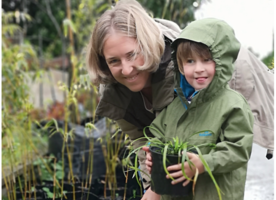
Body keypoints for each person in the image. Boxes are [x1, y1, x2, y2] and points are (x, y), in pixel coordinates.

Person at [85, 0, 273, 199]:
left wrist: (164, 185)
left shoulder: (184, 70)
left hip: (239, 76)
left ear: (147, 46)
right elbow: (144, 138)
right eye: (114, 61)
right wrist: (153, 180)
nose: (126, 69)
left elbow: (230, 147)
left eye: (132, 55)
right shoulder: (113, 90)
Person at [145, 18, 254, 200]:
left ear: (222, 61)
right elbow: (157, 132)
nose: (198, 69)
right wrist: (154, 152)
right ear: (180, 65)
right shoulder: (176, 104)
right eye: (190, 61)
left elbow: (238, 149)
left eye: (207, 60)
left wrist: (204, 163)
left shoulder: (232, 105)